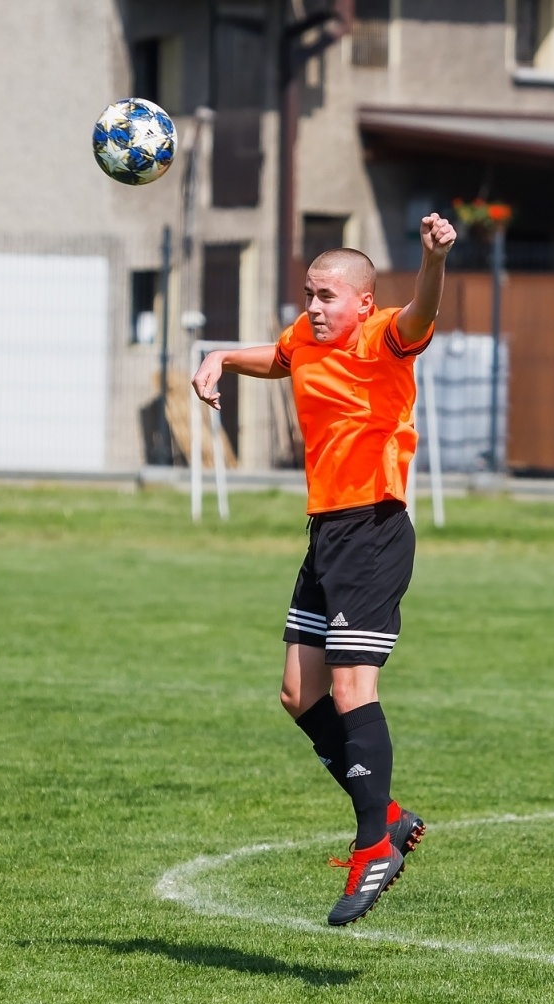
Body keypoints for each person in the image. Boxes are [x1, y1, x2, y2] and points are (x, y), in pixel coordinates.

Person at [191, 214, 456, 925]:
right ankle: (390, 815)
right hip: (326, 532)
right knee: (298, 692)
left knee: (348, 686)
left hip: (373, 525)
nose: (314, 306)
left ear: (364, 302)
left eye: (328, 295)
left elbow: (424, 311)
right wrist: (221, 358)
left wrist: (433, 260)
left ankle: (374, 844)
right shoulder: (307, 338)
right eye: (310, 293)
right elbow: (277, 356)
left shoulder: (384, 336)